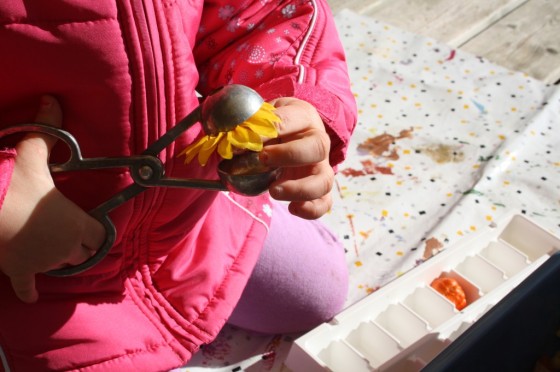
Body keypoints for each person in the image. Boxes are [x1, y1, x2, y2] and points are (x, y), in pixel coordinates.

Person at [0, 0, 357, 370]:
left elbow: (263, 12)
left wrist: (297, 97)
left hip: (184, 222)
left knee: (313, 292)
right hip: (33, 263)